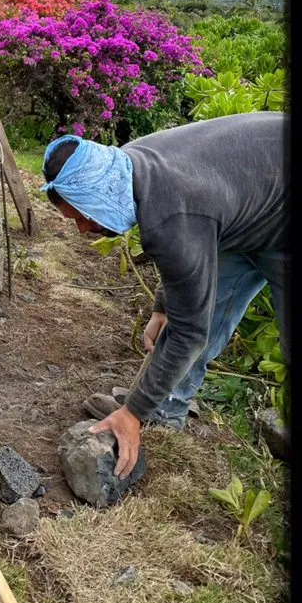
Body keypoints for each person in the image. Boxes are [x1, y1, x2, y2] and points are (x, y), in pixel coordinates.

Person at [40, 112, 288, 478]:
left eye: (82, 217)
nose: (82, 230)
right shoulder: (122, 168)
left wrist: (130, 413)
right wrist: (163, 306)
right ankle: (165, 409)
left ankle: (143, 413)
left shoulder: (173, 213)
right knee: (208, 306)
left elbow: (181, 242)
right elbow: (184, 247)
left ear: (101, 196)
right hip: (252, 205)